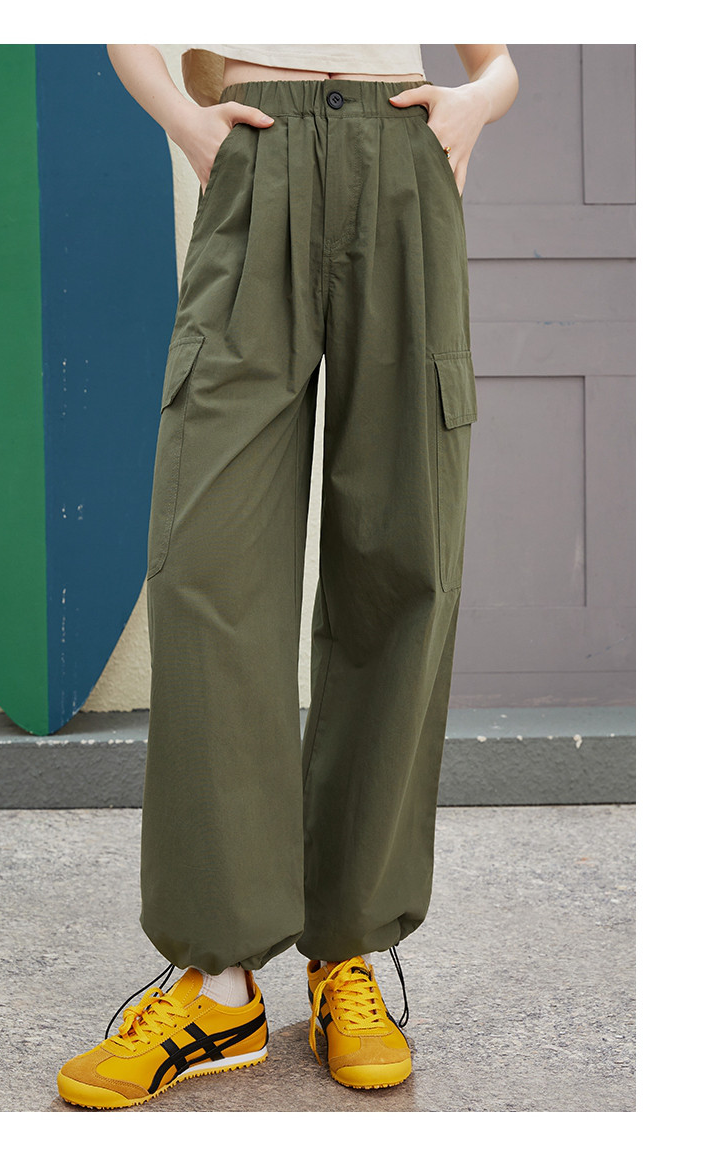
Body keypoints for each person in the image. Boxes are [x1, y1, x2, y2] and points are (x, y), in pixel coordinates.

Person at [57, 43, 519, 1110]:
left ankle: (346, 949)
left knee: (400, 565)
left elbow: (498, 58)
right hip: (254, 157)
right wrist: (185, 118)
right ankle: (219, 984)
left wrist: (476, 105)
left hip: (401, 162)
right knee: (207, 570)